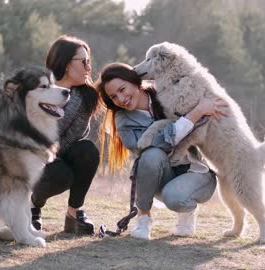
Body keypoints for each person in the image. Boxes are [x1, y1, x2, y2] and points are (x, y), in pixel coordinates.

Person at [96, 62, 228, 240]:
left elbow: (202, 119)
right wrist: (196, 113)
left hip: (197, 170)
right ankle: (143, 219)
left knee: (175, 198)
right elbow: (150, 147)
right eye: (114, 97)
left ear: (135, 82)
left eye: (122, 89)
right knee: (151, 154)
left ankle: (186, 210)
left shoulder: (166, 93)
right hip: (160, 175)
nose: (121, 98)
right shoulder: (123, 120)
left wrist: (208, 106)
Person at [30, 35, 99, 235]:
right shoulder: (37, 89)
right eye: (84, 61)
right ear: (67, 64)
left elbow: (73, 138)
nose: (88, 67)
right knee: (60, 174)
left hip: (61, 151)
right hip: (32, 156)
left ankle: (74, 213)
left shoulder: (86, 96)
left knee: (87, 150)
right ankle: (32, 206)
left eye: (89, 61)